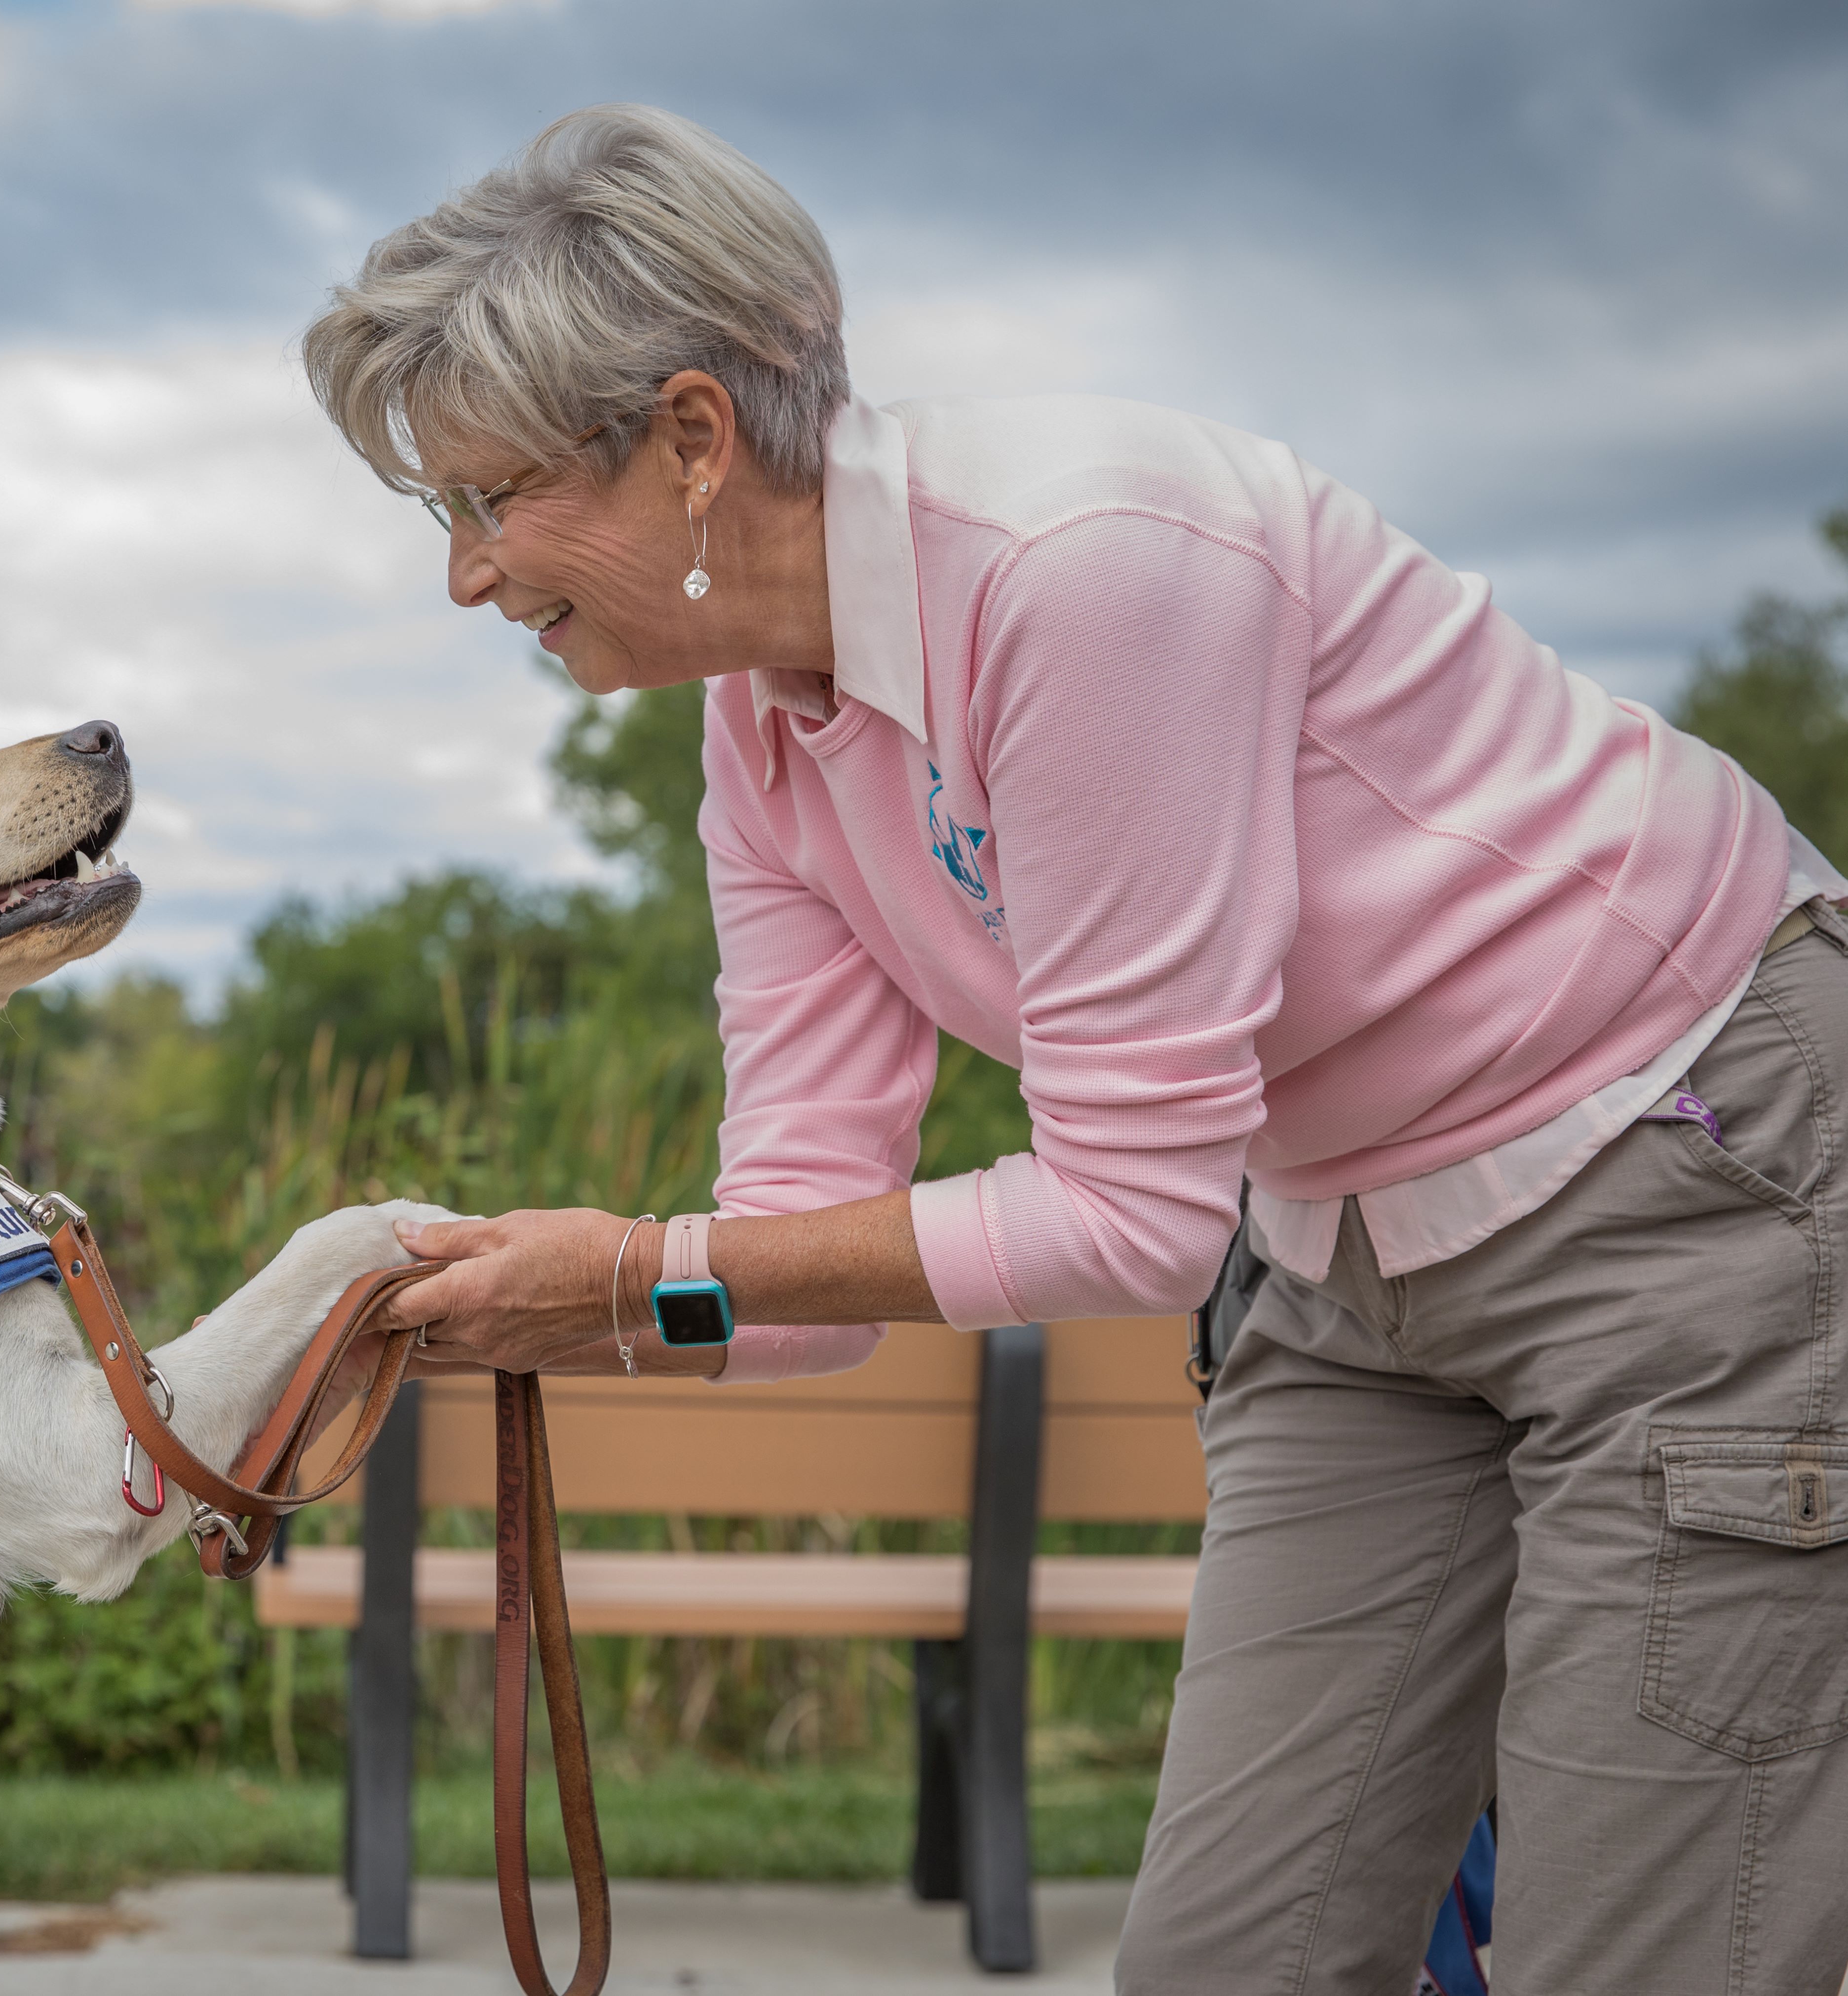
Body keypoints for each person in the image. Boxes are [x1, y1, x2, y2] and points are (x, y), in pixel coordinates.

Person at [300, 102, 1848, 1993]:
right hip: (1357, 1250)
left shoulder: (1083, 563)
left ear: (691, 439)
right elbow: (799, 1269)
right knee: (1224, 1959)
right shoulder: (765, 735)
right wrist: (589, 1302)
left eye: (488, 500)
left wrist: (643, 1275)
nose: (466, 576)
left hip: (1688, 1161)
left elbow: (1128, 1218)